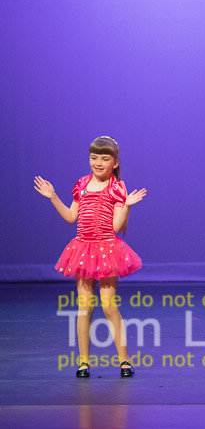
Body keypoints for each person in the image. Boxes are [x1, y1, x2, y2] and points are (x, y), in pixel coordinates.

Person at [34, 136, 146, 378]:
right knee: (84, 307)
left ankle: (124, 361)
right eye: (94, 158)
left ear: (115, 163)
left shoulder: (116, 187)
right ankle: (83, 362)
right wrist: (53, 196)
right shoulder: (82, 184)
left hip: (107, 250)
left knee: (108, 306)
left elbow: (116, 226)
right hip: (83, 249)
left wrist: (127, 205)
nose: (98, 163)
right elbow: (71, 217)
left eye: (104, 159)